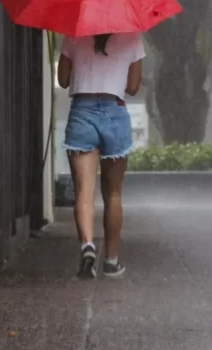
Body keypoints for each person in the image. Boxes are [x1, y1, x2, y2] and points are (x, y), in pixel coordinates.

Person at [57, 32, 145, 279]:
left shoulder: (73, 35)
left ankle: (87, 246)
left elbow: (63, 80)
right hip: (115, 112)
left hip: (82, 113)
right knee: (113, 193)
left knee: (84, 191)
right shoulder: (132, 37)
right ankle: (112, 261)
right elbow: (133, 87)